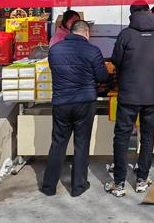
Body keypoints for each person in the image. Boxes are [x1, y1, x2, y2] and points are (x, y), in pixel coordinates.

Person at [105, 2, 154, 197]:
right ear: (149, 11)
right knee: (147, 136)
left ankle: (119, 182)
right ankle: (142, 180)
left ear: (131, 14)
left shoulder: (126, 35)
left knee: (122, 136)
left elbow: (116, 60)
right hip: (152, 95)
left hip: (128, 94)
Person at [41, 20, 108, 197]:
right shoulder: (92, 50)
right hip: (84, 102)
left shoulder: (54, 50)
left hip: (61, 102)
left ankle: (48, 187)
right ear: (86, 32)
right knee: (81, 143)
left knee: (58, 143)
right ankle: (78, 186)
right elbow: (102, 76)